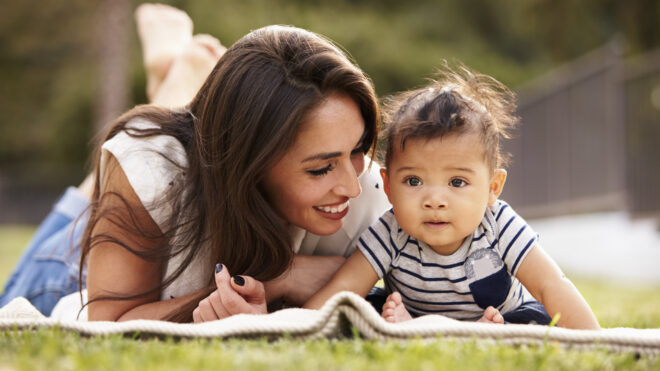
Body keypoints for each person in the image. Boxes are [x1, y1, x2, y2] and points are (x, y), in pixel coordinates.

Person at [0, 4, 391, 322]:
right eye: (320, 168)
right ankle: (174, 83)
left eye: (358, 149)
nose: (352, 185)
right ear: (251, 160)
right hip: (75, 278)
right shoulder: (151, 171)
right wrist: (277, 279)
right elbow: (108, 323)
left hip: (176, 187)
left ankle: (177, 89)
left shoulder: (372, 190)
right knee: (31, 284)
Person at [303, 66, 601, 329]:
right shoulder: (391, 231)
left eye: (457, 182)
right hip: (411, 312)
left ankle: (479, 332)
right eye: (414, 181)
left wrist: (596, 341)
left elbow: (551, 285)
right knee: (360, 304)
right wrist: (297, 324)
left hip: (500, 317)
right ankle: (418, 327)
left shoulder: (498, 225)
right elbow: (344, 286)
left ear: (492, 188)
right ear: (389, 186)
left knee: (537, 318)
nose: (434, 200)